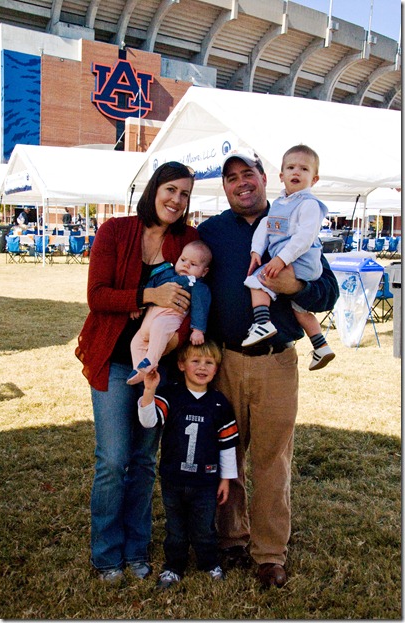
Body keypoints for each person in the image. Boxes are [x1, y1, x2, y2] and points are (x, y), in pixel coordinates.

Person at [197, 147, 339, 588]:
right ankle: (231, 538)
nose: (241, 182)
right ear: (224, 187)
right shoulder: (211, 231)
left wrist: (293, 283)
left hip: (277, 362)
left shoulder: (294, 218)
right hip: (225, 362)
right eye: (231, 177)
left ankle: (269, 553)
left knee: (272, 460)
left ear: (265, 177)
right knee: (227, 456)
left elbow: (328, 292)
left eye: (249, 174)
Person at [75, 161, 199, 583]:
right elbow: (97, 295)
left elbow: (191, 304)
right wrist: (149, 293)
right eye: (170, 189)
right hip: (113, 358)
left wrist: (175, 341)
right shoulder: (116, 230)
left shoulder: (188, 241)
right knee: (112, 459)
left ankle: (136, 549)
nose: (176, 200)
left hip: (159, 366)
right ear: (154, 189)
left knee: (145, 460)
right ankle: (107, 553)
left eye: (184, 194)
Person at [138, 340, 239, 589]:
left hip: (206, 481)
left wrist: (226, 479)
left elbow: (227, 445)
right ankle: (174, 567)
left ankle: (209, 562)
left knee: (205, 527)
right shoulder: (171, 395)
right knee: (176, 529)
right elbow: (149, 421)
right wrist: (149, 391)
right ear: (181, 364)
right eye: (195, 361)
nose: (202, 367)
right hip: (174, 478)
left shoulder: (219, 403)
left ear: (217, 368)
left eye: (209, 362)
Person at [242, 144, 335, 371]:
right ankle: (321, 346)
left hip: (300, 261)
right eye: (291, 167)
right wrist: (256, 251)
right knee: (299, 309)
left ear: (314, 179)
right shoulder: (281, 204)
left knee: (257, 280)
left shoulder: (309, 204)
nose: (296, 172)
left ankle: (262, 323)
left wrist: (281, 259)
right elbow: (266, 226)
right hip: (293, 262)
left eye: (304, 169)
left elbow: (305, 237)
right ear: (281, 176)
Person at [127, 240, 212, 385]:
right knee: (136, 342)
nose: (186, 265)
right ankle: (138, 369)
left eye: (193, 264)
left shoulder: (197, 286)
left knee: (159, 329)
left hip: (169, 318)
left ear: (204, 272)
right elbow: (150, 287)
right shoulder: (165, 272)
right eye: (183, 260)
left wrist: (198, 329)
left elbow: (200, 307)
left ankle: (151, 361)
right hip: (149, 317)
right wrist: (139, 304)